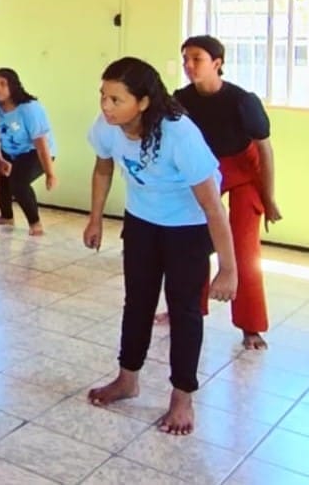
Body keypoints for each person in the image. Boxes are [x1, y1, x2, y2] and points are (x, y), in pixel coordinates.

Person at [83, 56, 238, 436]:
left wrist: (229, 268)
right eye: (103, 96)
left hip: (188, 228)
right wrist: (96, 217)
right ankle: (127, 378)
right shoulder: (108, 127)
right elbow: (103, 168)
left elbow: (212, 205)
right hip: (141, 222)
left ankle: (182, 397)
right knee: (137, 301)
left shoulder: (178, 134)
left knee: (184, 311)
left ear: (144, 101)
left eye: (116, 100)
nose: (106, 106)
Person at [174, 35, 280, 350]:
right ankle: (190, 308)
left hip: (244, 172)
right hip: (205, 169)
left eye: (197, 59)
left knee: (243, 250)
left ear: (217, 64)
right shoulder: (181, 99)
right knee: (193, 242)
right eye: (185, 59)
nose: (189, 65)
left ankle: (251, 326)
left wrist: (269, 197)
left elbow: (265, 150)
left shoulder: (242, 100)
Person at [0, 67, 58, 235]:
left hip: (35, 152)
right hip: (9, 152)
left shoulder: (29, 108)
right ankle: (6, 216)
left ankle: (35, 223)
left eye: (3, 84)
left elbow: (41, 142)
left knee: (18, 182)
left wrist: (50, 173)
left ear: (13, 86)